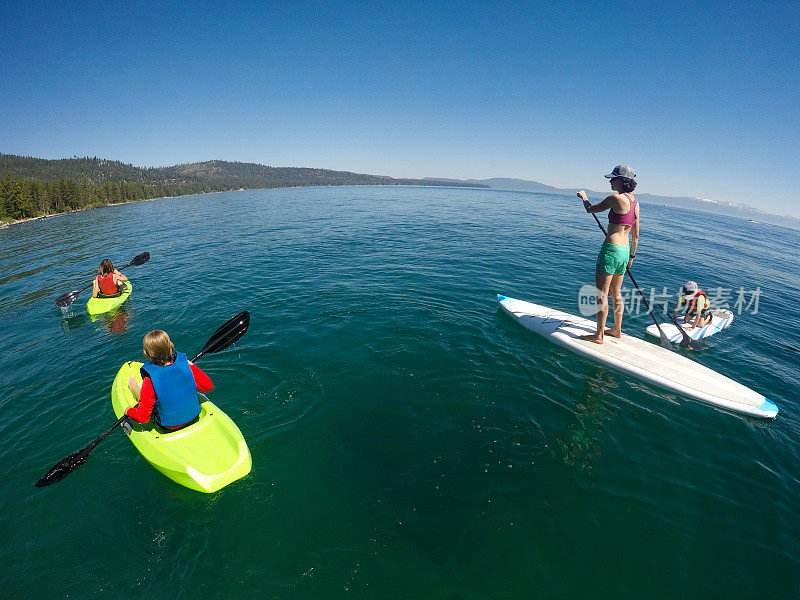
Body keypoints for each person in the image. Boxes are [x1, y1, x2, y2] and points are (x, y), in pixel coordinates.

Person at [576, 165, 640, 344]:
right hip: (625, 252)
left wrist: (584, 197)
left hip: (611, 250)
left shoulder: (615, 199)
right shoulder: (635, 203)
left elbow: (590, 209)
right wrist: (631, 258)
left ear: (622, 181)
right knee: (616, 292)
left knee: (601, 294)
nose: (610, 181)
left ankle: (599, 335)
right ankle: (617, 329)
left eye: (613, 179)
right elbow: (636, 236)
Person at [126, 330, 213, 430]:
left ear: (146, 354)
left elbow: (143, 417)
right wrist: (191, 366)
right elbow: (208, 387)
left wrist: (128, 411)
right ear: (171, 346)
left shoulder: (149, 379)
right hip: (194, 417)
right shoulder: (187, 366)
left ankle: (135, 389)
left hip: (169, 426)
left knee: (148, 398)